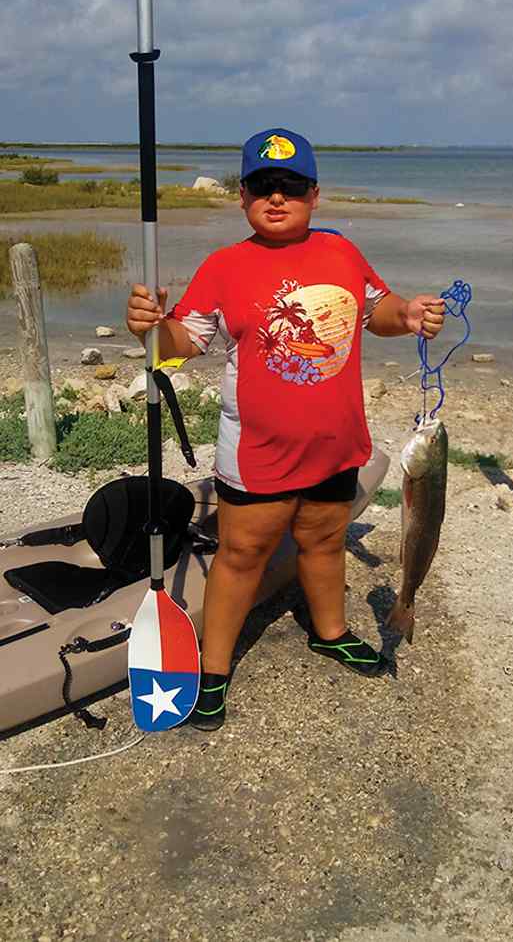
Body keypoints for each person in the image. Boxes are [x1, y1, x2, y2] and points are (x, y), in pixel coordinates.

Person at [126, 128, 445, 730]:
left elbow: (376, 308)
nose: (277, 197)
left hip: (334, 443)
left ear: (315, 194)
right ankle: (212, 670)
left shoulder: (342, 252)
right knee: (242, 553)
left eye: (291, 185)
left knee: (325, 540)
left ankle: (330, 631)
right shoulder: (225, 266)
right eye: (262, 186)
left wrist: (407, 315)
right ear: (241, 196)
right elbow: (182, 341)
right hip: (257, 453)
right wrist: (149, 326)